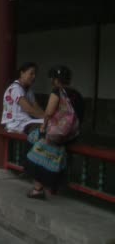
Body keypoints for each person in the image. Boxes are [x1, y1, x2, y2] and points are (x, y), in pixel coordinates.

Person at [25, 65, 84, 199]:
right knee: (56, 152)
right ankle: (53, 186)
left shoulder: (57, 92)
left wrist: (43, 128)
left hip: (56, 134)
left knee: (36, 145)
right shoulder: (78, 95)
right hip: (71, 135)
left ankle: (37, 188)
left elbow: (49, 112)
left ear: (56, 80)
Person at [2, 62, 45, 134]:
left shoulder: (28, 90)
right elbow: (29, 109)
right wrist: (47, 118)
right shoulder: (15, 88)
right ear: (22, 73)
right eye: (31, 74)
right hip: (15, 124)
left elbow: (36, 107)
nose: (34, 77)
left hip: (25, 122)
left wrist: (47, 116)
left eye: (35, 74)